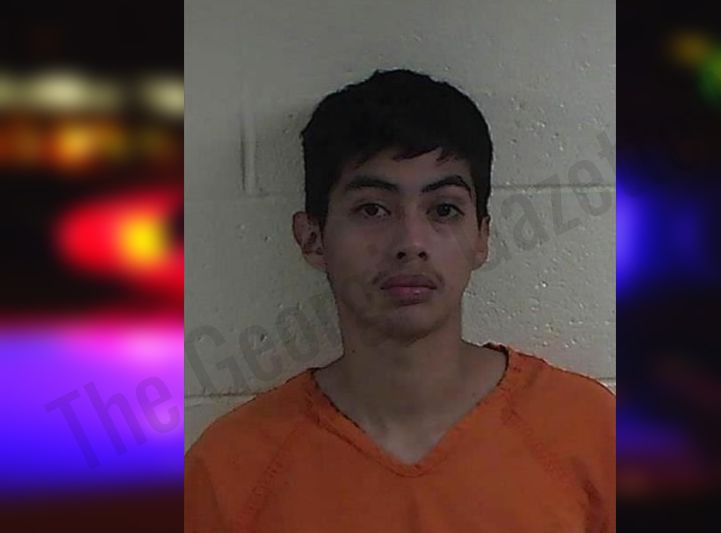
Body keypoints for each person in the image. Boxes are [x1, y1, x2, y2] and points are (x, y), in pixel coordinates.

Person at [184, 69, 615, 532]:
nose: (411, 242)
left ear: (481, 237)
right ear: (312, 238)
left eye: (443, 210)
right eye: (372, 209)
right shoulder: (229, 471)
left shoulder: (591, 433)